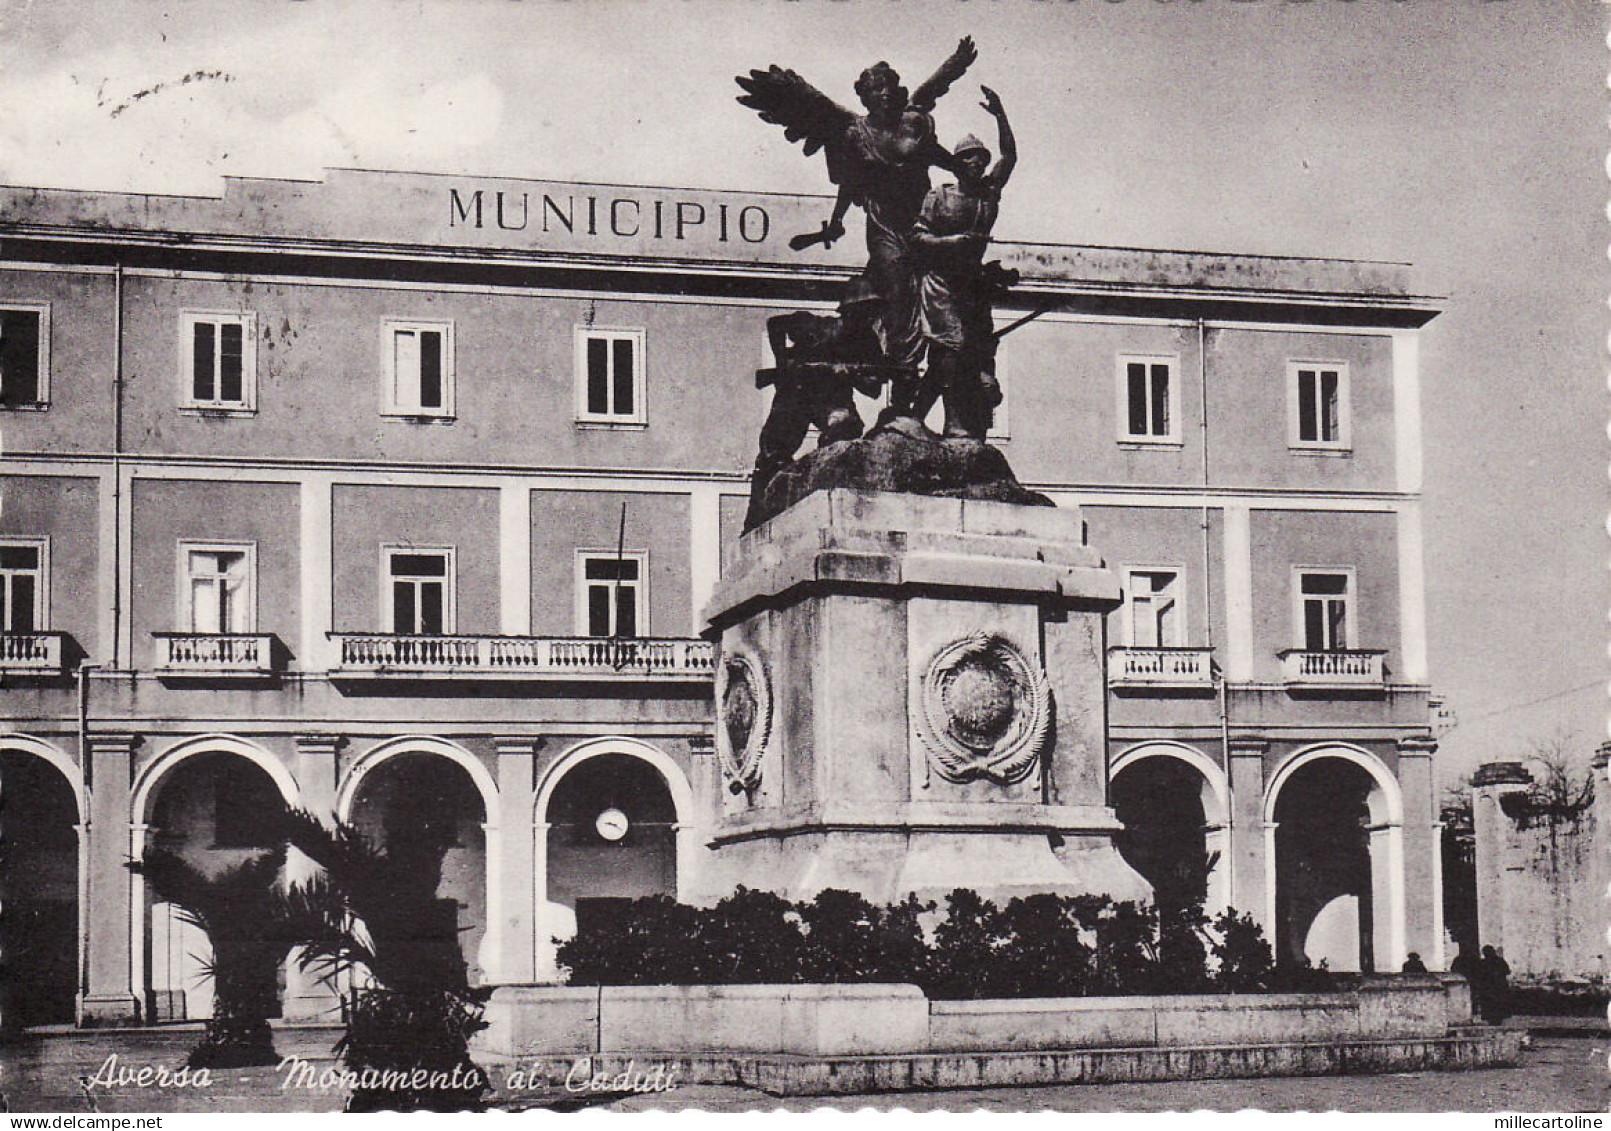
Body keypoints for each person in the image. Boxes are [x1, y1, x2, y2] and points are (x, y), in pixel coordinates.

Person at [906, 85, 1017, 440]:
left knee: (964, 355)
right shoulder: (938, 197)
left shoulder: (988, 194)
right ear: (957, 163)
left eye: (980, 158)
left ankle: (918, 416)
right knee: (951, 348)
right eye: (969, 157)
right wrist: (951, 242)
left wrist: (1000, 115)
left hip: (972, 286)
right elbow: (917, 238)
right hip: (940, 283)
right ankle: (952, 423)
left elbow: (1010, 157)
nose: (976, 163)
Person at [744, 276, 887, 529]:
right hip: (796, 392)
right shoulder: (819, 326)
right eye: (862, 312)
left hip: (831, 398)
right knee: (773, 454)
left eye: (870, 313)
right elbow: (776, 324)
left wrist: (851, 373)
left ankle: (821, 483)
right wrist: (782, 365)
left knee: (846, 430)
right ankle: (756, 520)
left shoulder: (868, 342)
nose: (867, 318)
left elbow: (874, 389)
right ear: (849, 311)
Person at [1478, 944, 1512, 1024]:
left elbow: (1479, 975)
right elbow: (1507, 972)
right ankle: (1497, 1019)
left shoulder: (1483, 963)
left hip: (1489, 988)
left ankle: (1492, 1019)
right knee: (1498, 1004)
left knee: (1490, 1005)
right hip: (1498, 987)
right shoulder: (1500, 961)